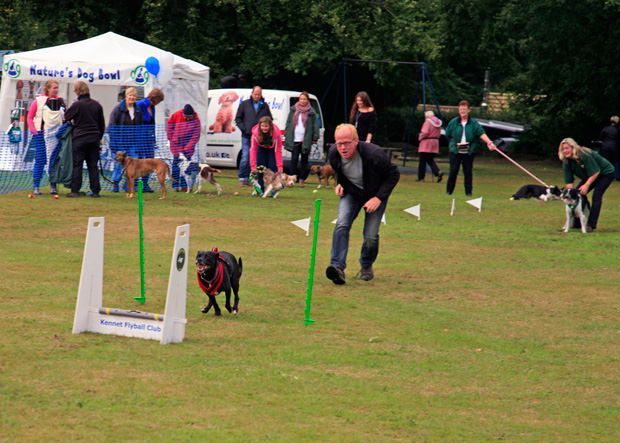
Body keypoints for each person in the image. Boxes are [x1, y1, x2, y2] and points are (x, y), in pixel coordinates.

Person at [325, 124, 400, 285]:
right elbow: (339, 171)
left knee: (371, 236)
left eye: (346, 143)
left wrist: (378, 198)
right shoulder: (333, 153)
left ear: (356, 141)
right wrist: (339, 183)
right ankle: (337, 267)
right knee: (341, 225)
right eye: (339, 143)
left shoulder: (375, 154)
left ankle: (366, 265)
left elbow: (393, 175)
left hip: (375, 194)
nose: (343, 147)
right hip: (352, 193)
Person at [558, 137, 615, 232]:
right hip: (590, 175)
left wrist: (587, 185)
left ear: (573, 147)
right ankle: (577, 223)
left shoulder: (583, 154)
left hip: (605, 173)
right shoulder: (566, 161)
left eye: (567, 148)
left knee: (596, 196)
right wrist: (567, 196)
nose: (565, 151)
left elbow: (596, 171)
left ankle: (591, 225)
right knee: (576, 195)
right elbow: (569, 183)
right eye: (562, 149)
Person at [444, 100, 497, 195]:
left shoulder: (474, 123)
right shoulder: (453, 122)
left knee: (468, 172)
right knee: (453, 171)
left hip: (469, 151)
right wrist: (453, 144)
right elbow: (447, 134)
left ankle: (468, 193)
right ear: (458, 110)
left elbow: (481, 133)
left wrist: (489, 142)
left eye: (464, 109)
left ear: (468, 110)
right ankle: (449, 192)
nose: (462, 111)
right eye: (461, 109)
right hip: (455, 151)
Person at [63, 81, 105, 198]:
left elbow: (66, 117)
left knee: (78, 165)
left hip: (80, 139)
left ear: (78, 91)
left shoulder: (77, 105)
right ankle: (95, 191)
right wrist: (98, 138)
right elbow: (102, 125)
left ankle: (75, 190)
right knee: (93, 165)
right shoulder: (97, 105)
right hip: (93, 139)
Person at [27, 80, 66, 195]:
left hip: (56, 136)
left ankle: (53, 185)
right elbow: (30, 117)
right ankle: (36, 186)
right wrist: (33, 130)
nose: (56, 89)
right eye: (54, 87)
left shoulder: (61, 101)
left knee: (53, 161)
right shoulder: (38, 101)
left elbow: (65, 117)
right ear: (48, 89)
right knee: (40, 160)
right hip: (41, 135)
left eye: (57, 87)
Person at [108, 87, 143, 192]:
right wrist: (115, 145)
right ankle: (115, 185)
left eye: (134, 96)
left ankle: (127, 185)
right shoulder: (117, 109)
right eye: (130, 95)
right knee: (118, 166)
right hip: (120, 143)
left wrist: (138, 144)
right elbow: (112, 127)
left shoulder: (138, 110)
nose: (132, 97)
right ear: (126, 96)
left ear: (136, 97)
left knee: (133, 165)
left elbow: (140, 127)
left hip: (133, 144)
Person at [235, 86, 272, 186]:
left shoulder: (264, 106)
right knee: (245, 157)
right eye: (255, 94)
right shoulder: (244, 104)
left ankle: (255, 179)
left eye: (259, 94)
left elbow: (270, 119)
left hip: (260, 137)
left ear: (261, 95)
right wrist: (244, 128)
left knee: (257, 159)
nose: (257, 96)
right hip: (246, 136)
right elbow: (238, 119)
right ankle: (243, 178)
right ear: (252, 93)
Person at [284, 91, 319, 186]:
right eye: (301, 99)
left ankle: (302, 179)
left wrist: (315, 137)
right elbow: (288, 122)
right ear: (299, 100)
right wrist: (286, 133)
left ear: (307, 100)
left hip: (306, 139)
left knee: (304, 160)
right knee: (294, 159)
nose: (302, 101)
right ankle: (291, 179)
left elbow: (315, 125)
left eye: (304, 99)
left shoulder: (312, 112)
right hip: (295, 139)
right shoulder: (293, 109)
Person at [136, 88, 165, 191]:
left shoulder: (152, 107)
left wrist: (154, 138)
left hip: (149, 138)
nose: (159, 103)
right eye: (159, 101)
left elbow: (152, 123)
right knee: (138, 160)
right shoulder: (140, 104)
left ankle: (145, 184)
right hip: (139, 137)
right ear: (155, 98)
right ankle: (134, 184)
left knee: (150, 161)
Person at [167, 104, 201, 191]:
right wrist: (171, 138)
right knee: (175, 165)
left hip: (188, 149)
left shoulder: (196, 120)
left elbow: (195, 136)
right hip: (176, 146)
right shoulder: (176, 114)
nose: (187, 119)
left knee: (185, 168)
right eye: (185, 117)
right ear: (183, 114)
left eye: (189, 117)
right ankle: (175, 185)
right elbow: (169, 125)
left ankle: (184, 185)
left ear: (193, 115)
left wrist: (187, 148)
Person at [250, 116, 283, 190]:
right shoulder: (255, 133)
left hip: (272, 149)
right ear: (259, 125)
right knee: (260, 168)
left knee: (272, 167)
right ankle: (260, 188)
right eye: (262, 126)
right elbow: (253, 149)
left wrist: (280, 166)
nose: (264, 128)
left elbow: (278, 150)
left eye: (266, 126)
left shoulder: (276, 133)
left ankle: (273, 188)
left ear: (270, 126)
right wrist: (253, 166)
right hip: (261, 148)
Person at [417, 110, 444, 182]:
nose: (425, 118)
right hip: (435, 143)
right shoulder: (438, 122)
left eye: (425, 116)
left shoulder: (427, 122)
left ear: (428, 116)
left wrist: (420, 137)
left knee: (422, 161)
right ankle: (438, 172)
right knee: (430, 159)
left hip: (426, 143)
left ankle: (421, 178)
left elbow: (425, 132)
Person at [599, 116, 620, 181]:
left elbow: (601, 137)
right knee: (616, 161)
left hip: (605, 147)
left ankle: (605, 175)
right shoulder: (617, 130)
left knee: (606, 161)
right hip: (615, 147)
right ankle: (617, 176)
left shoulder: (605, 128)